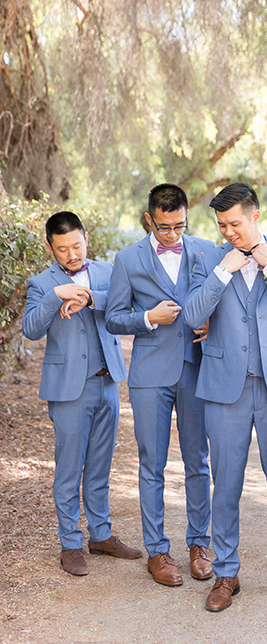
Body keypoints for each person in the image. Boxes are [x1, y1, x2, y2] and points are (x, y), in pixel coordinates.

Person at [183, 182, 267, 612]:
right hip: (225, 388)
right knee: (226, 486)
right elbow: (191, 315)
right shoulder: (208, 259)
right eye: (222, 225)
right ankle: (225, 574)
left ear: (255, 216)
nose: (228, 232)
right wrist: (223, 271)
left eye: (235, 223)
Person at [105, 184, 214, 586]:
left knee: (197, 461)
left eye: (180, 227)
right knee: (152, 464)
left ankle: (199, 544)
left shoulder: (205, 249)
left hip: (196, 370)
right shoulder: (127, 259)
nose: (173, 235)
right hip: (150, 374)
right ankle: (158, 551)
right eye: (165, 227)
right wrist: (148, 317)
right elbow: (114, 318)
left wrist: (210, 321)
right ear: (150, 219)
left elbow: (223, 298)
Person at [22, 211, 141, 576]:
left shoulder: (108, 272)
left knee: (101, 465)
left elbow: (129, 307)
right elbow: (30, 329)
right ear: (50, 248)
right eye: (62, 250)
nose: (71, 254)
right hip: (68, 389)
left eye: (76, 245)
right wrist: (55, 296)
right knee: (69, 468)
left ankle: (101, 534)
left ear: (86, 237)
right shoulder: (42, 283)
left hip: (108, 383)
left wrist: (91, 297)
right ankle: (70, 543)